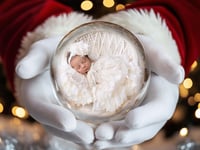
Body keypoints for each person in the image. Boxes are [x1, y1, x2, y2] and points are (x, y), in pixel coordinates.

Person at [0, 0, 199, 150]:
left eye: (83, 63)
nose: (83, 67)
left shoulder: (107, 65)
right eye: (78, 65)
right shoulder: (73, 72)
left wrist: (173, 28)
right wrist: (30, 28)